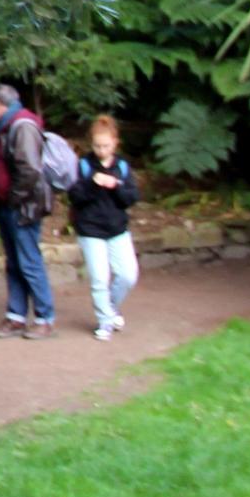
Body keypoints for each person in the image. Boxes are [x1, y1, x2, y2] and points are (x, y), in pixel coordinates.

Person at [0, 82, 57, 339]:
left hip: (23, 207)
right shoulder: (7, 127)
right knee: (14, 262)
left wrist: (13, 198)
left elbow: (30, 170)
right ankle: (16, 316)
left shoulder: (22, 126)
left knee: (29, 261)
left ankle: (44, 318)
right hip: (10, 205)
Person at [69, 113, 142, 340]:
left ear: (115, 143)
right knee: (100, 278)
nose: (102, 150)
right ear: (91, 144)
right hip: (90, 231)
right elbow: (75, 196)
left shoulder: (122, 167)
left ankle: (110, 309)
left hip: (117, 230)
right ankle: (105, 322)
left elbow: (131, 197)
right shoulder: (83, 166)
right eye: (98, 146)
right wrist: (93, 184)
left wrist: (115, 186)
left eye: (106, 146)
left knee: (128, 275)